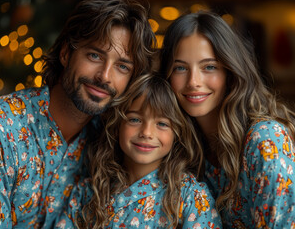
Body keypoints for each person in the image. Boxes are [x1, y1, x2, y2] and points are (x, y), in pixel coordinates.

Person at [0, 0, 156, 228]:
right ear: (65, 53)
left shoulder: (109, 141)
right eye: (95, 55)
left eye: (122, 66)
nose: (104, 76)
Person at [160, 10, 295, 228]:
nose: (193, 81)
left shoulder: (267, 140)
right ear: (166, 76)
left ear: (230, 71)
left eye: (209, 67)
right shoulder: (185, 148)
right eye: (180, 68)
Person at [52, 73, 222, 229]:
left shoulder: (191, 197)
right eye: (134, 119)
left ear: (177, 133)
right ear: (118, 124)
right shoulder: (87, 193)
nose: (147, 133)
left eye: (162, 124)